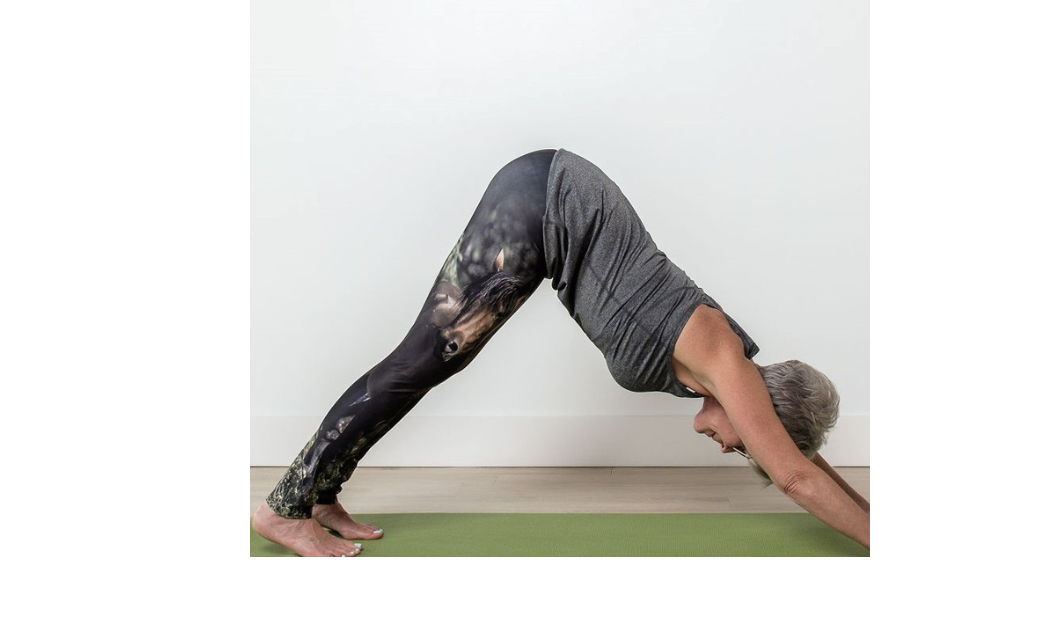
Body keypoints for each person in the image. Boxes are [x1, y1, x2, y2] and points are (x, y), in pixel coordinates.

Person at [252, 149, 871, 556]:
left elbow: (796, 456)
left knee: (432, 363)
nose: (737, 449)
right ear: (763, 408)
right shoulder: (726, 360)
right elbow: (791, 473)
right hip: (544, 201)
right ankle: (283, 509)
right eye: (750, 445)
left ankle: (320, 493)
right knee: (419, 362)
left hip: (548, 215)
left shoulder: (729, 367)